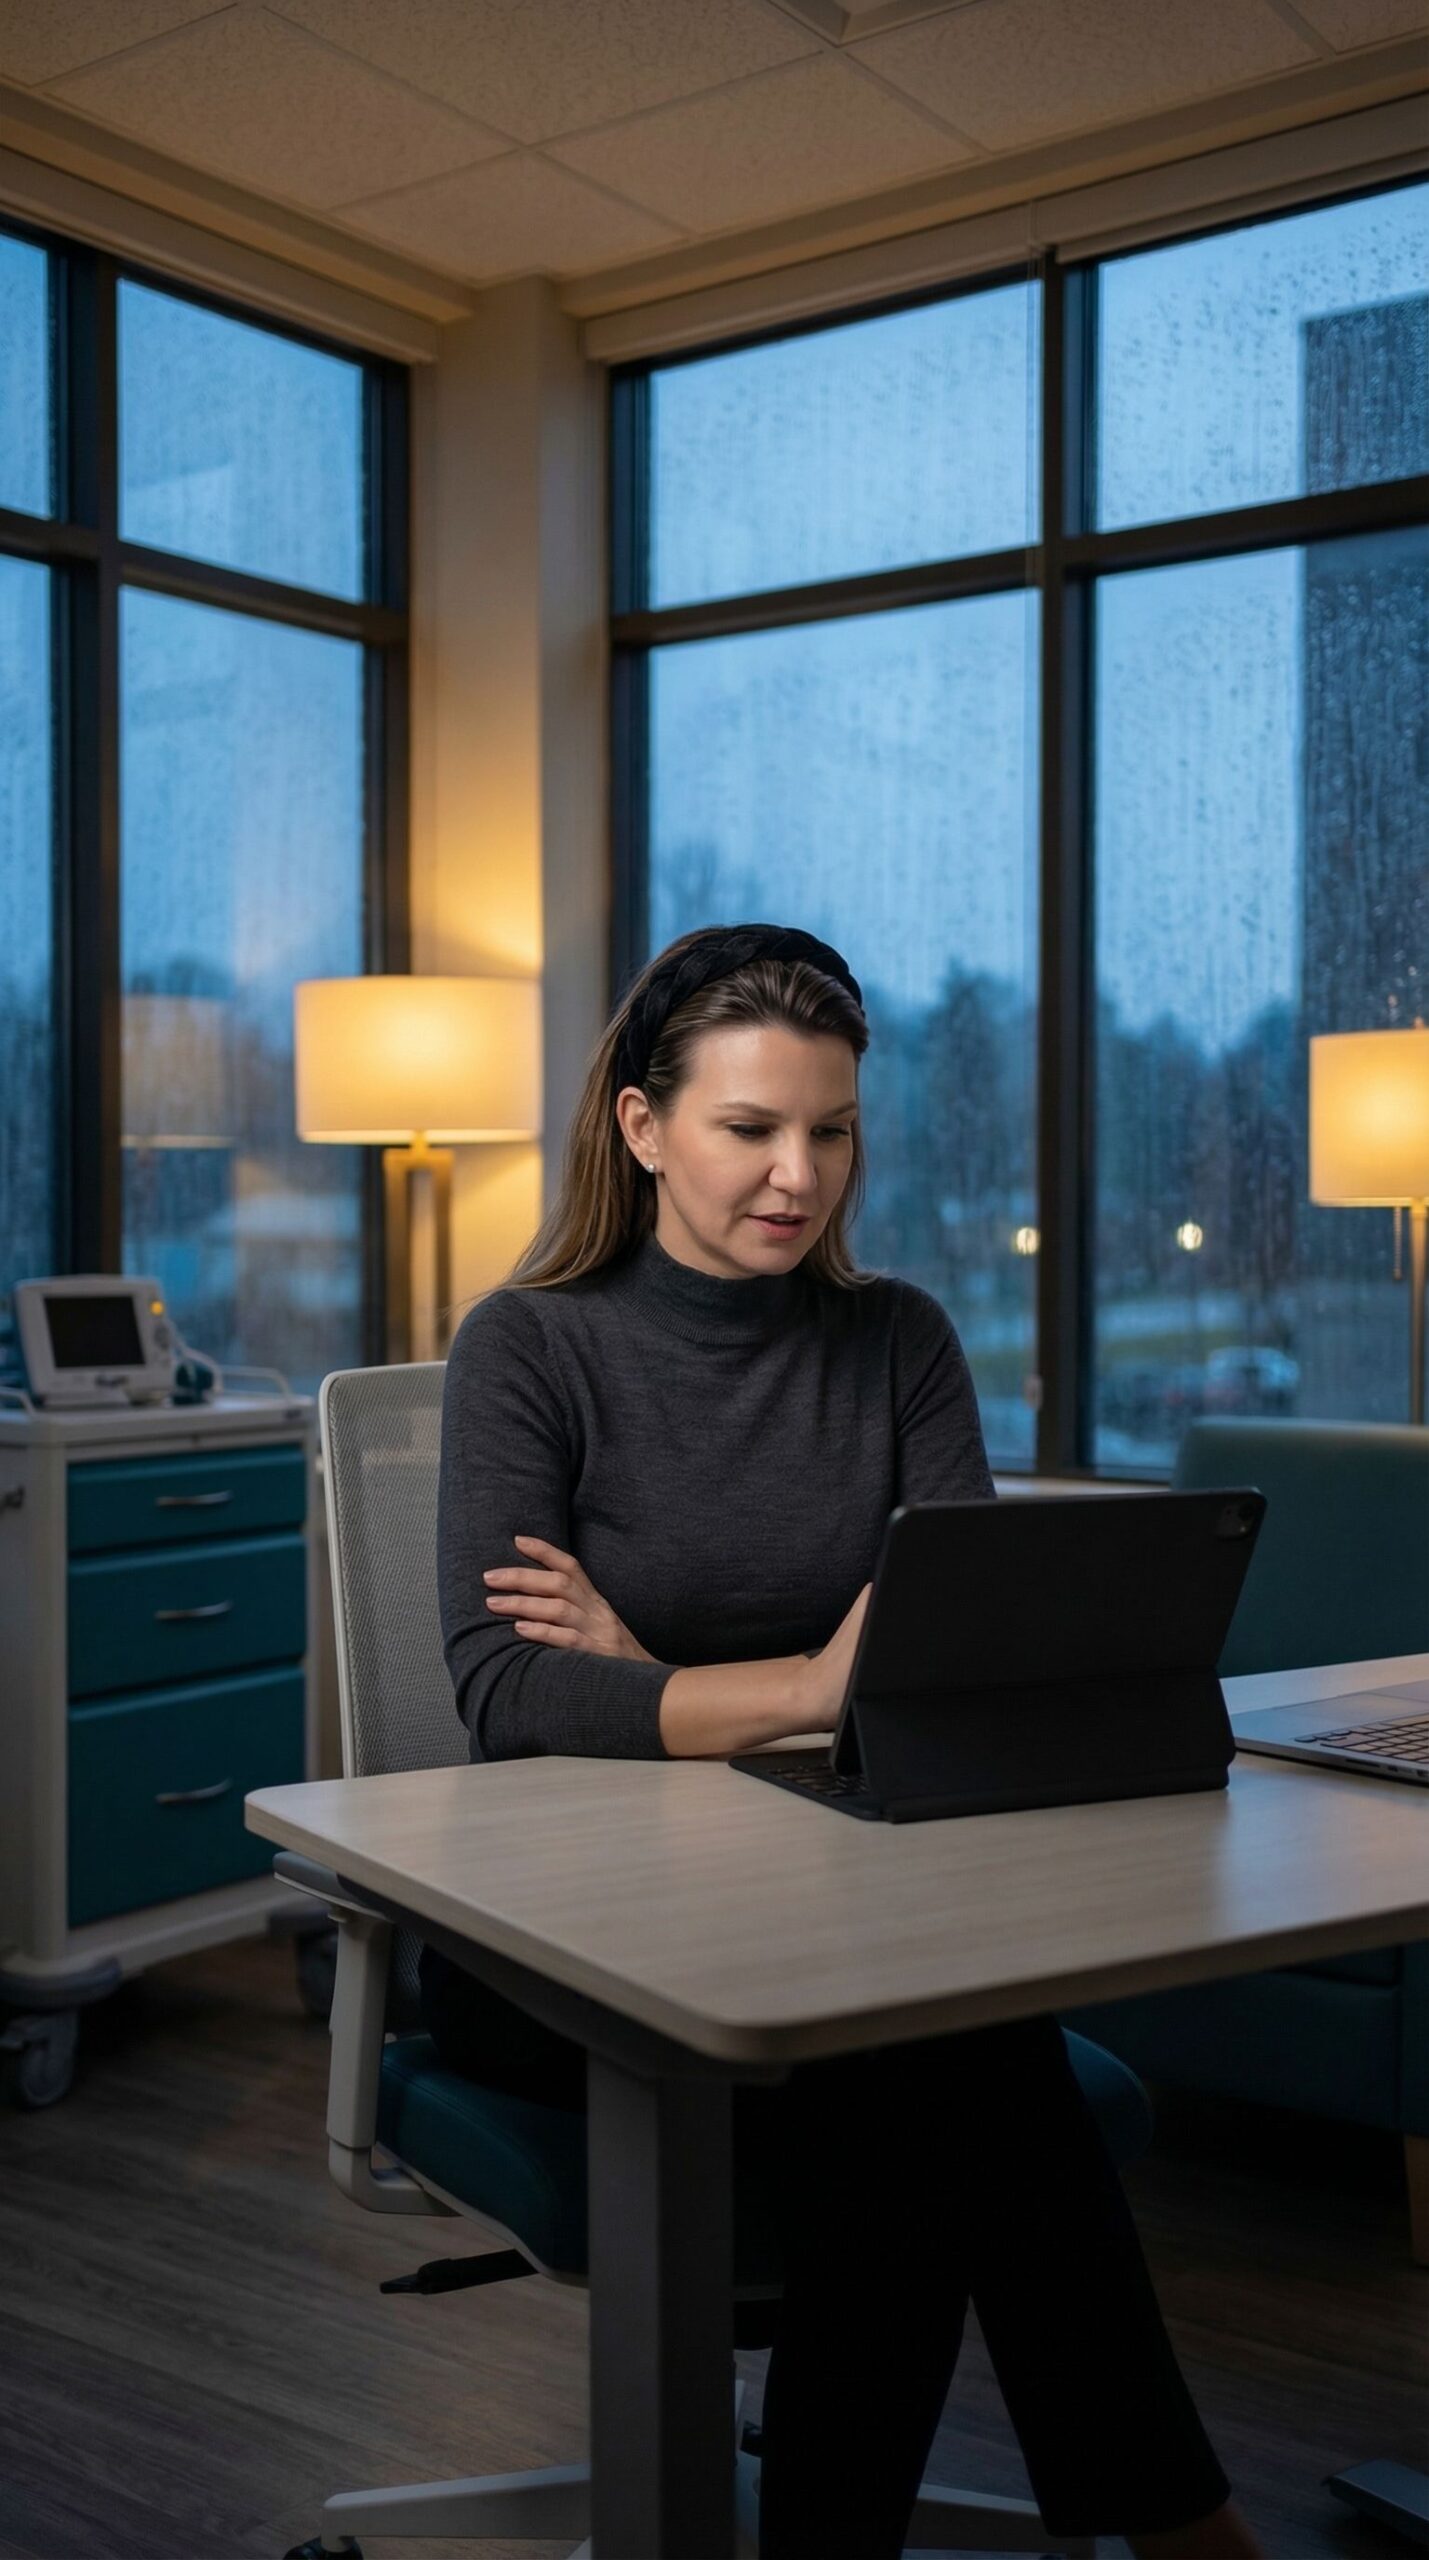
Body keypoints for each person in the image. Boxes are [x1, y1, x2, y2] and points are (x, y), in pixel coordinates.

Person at [426, 921, 1266, 2560]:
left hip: (837, 1905)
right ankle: (1179, 2532)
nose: (794, 1176)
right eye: (749, 1130)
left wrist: (658, 1674)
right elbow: (509, 1693)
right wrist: (807, 1688)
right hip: (563, 1936)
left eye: (829, 1131)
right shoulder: (531, 1347)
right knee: (953, 2072)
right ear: (643, 1124)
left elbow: (944, 1655)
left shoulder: (898, 1340)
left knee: (920, 2062)